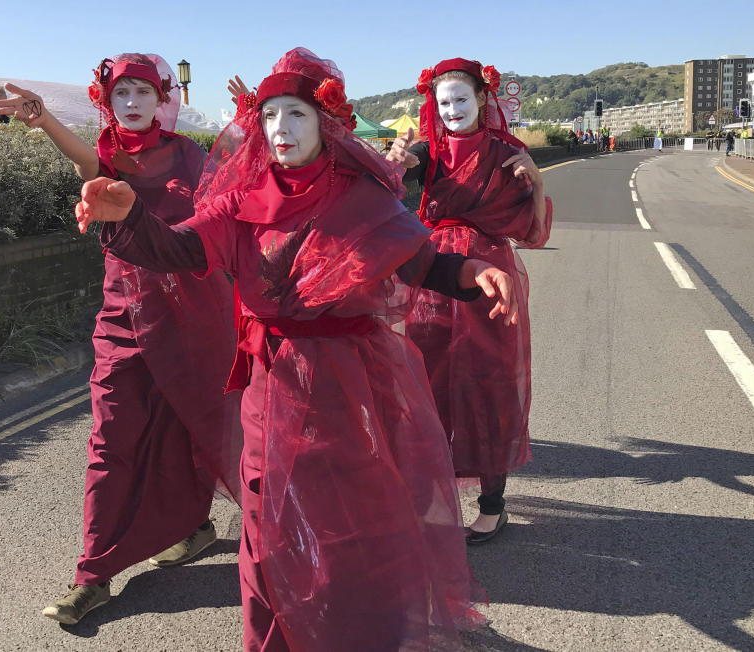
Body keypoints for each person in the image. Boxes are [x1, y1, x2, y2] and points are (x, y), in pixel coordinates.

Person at [75, 47, 521, 651]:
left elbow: (423, 263)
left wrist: (475, 273)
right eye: (271, 116)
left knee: (349, 520)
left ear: (325, 124)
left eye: (297, 116)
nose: (281, 129)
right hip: (273, 380)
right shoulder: (242, 201)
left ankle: (357, 631)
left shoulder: (362, 198)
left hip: (351, 380)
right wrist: (126, 219)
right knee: (266, 528)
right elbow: (180, 250)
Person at [0, 53, 240, 626]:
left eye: (142, 93)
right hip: (123, 316)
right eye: (121, 92)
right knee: (111, 437)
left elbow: (226, 213)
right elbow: (90, 166)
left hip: (192, 315)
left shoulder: (190, 155)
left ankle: (197, 527)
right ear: (107, 100)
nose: (131, 102)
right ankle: (93, 576)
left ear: (161, 100)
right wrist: (46, 119)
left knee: (188, 422)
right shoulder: (110, 156)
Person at [388, 58, 552, 545]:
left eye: (462, 99)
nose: (453, 109)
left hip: (491, 277)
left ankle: (493, 505)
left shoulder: (508, 152)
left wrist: (536, 181)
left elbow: (533, 232)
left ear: (483, 98)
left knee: (489, 384)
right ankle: (428, 499)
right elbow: (391, 211)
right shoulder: (422, 152)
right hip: (434, 277)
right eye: (444, 102)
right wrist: (395, 170)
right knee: (427, 382)